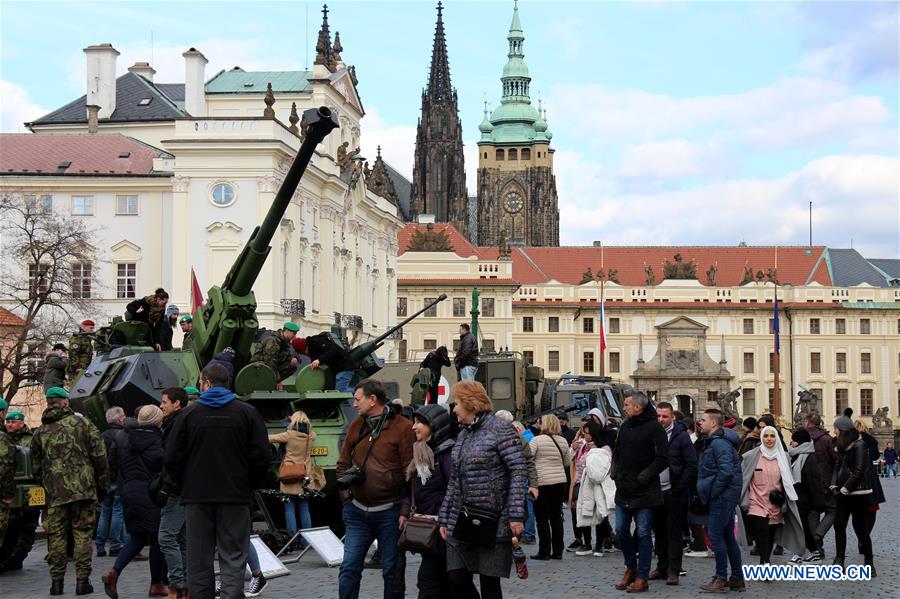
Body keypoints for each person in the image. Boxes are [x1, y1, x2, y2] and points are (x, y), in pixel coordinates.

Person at [165, 364, 270, 599]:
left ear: (206, 383)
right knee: (234, 555)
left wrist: (183, 485)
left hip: (197, 497)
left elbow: (172, 457)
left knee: (199, 558)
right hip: (235, 496)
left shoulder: (189, 415)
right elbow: (263, 456)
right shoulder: (247, 413)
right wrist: (248, 484)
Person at [438, 380, 526, 599]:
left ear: (469, 403)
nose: (454, 408)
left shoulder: (500, 429)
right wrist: (445, 518)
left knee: (489, 583)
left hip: (494, 519)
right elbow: (455, 480)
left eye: (456, 403)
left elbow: (518, 470)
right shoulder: (463, 434)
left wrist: (516, 515)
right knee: (456, 576)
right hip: (463, 518)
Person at [337, 379, 414, 599]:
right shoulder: (356, 425)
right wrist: (346, 497)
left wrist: (404, 509)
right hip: (357, 511)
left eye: (357, 399)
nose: (354, 404)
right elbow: (342, 463)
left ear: (372, 400)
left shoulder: (402, 427)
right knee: (349, 568)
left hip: (390, 512)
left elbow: (410, 473)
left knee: (391, 571)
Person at [31, 386, 108, 596]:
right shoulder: (83, 424)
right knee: (83, 535)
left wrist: (48, 484)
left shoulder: (41, 431)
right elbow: (100, 456)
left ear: (48, 402)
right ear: (65, 402)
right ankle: (82, 582)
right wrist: (102, 484)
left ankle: (56, 583)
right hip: (84, 491)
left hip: (55, 495)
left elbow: (35, 466)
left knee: (56, 537)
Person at [102, 405, 167, 598]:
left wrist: (125, 481)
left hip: (128, 491)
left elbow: (112, 464)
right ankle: (156, 583)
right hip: (151, 492)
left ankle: (114, 572)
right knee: (157, 538)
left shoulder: (122, 437)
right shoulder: (159, 440)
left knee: (137, 537)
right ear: (157, 421)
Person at [610, 391, 668, 593]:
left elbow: (662, 458)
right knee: (621, 530)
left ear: (638, 407)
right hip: (624, 488)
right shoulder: (625, 427)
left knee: (643, 534)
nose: (623, 407)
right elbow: (616, 452)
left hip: (645, 491)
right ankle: (630, 568)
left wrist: (644, 476)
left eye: (626, 404)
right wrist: (615, 471)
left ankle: (643, 576)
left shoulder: (654, 428)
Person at [401, 404, 455, 599]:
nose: (414, 427)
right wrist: (405, 510)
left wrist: (442, 515)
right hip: (430, 530)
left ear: (434, 425)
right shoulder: (421, 453)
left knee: (430, 581)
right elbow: (413, 489)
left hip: (444, 530)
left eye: (419, 423)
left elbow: (454, 490)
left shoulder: (446, 454)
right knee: (445, 583)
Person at [737, 426, 805, 566]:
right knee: (762, 531)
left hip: (775, 503)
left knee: (770, 534)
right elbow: (743, 478)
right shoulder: (751, 456)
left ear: (777, 438)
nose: (769, 439)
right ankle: (766, 561)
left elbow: (788, 481)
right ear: (762, 438)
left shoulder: (784, 457)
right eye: (766, 436)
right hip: (755, 501)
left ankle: (764, 560)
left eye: (772, 436)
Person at [696, 408, 744, 593]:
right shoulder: (715, 442)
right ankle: (737, 577)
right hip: (724, 495)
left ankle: (721, 577)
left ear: (714, 423)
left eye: (703, 420)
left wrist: (714, 492)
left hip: (722, 496)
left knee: (716, 535)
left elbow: (726, 471)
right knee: (727, 537)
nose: (700, 423)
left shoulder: (719, 444)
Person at [650, 401, 696, 585]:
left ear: (672, 417)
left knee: (674, 532)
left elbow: (691, 465)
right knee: (659, 532)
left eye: (665, 416)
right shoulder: (652, 433)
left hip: (673, 491)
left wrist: (679, 487)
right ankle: (661, 567)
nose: (661, 419)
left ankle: (673, 570)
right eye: (658, 416)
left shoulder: (681, 436)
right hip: (654, 491)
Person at [829, 412, 873, 573]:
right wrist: (834, 486)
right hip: (842, 494)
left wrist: (845, 489)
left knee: (860, 529)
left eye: (836, 428)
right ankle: (839, 560)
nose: (834, 431)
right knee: (839, 526)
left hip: (858, 494)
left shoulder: (859, 445)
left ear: (842, 430)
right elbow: (837, 467)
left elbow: (859, 471)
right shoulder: (842, 445)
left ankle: (869, 562)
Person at [158, 387, 189, 598]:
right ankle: (184, 587)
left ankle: (177, 586)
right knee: (182, 540)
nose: (161, 406)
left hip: (176, 490)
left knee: (166, 538)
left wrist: (166, 487)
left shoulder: (175, 425)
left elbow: (173, 461)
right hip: (185, 489)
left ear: (176, 403)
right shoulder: (182, 422)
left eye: (164, 402)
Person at [528, 414, 571, 561]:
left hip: (542, 482)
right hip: (560, 482)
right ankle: (558, 551)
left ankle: (544, 551)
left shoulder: (537, 440)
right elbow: (566, 462)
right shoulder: (563, 441)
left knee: (541, 518)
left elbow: (528, 457)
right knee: (556, 517)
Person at [268, 411, 315, 540]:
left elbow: (269, 438)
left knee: (289, 509)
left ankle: (292, 540)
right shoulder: (310, 436)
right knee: (304, 508)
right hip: (304, 476)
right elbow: (310, 432)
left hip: (290, 475)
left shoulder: (289, 435)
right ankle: (308, 542)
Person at [573, 421, 616, 557]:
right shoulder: (582, 447)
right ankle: (587, 543)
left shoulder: (604, 449)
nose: (584, 435)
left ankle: (599, 544)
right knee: (583, 512)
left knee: (599, 514)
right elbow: (574, 463)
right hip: (581, 483)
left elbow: (603, 469)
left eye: (586, 432)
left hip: (597, 485)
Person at [788, 428, 826, 562]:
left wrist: (817, 503)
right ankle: (813, 552)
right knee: (801, 526)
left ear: (799, 442)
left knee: (801, 526)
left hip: (804, 499)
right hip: (797, 497)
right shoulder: (797, 455)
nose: (791, 443)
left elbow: (814, 482)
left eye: (793, 440)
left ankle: (801, 553)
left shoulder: (808, 457)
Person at [803, 411, 835, 561]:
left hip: (808, 483)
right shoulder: (828, 439)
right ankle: (818, 535)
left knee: (813, 514)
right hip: (826, 482)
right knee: (832, 511)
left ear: (808, 423)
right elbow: (835, 461)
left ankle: (817, 547)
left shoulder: (802, 439)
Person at [96, 407, 127, 558]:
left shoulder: (101, 436)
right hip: (119, 479)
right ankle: (115, 545)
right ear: (120, 419)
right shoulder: (122, 435)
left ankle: (100, 546)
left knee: (104, 512)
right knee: (117, 511)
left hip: (105, 479)